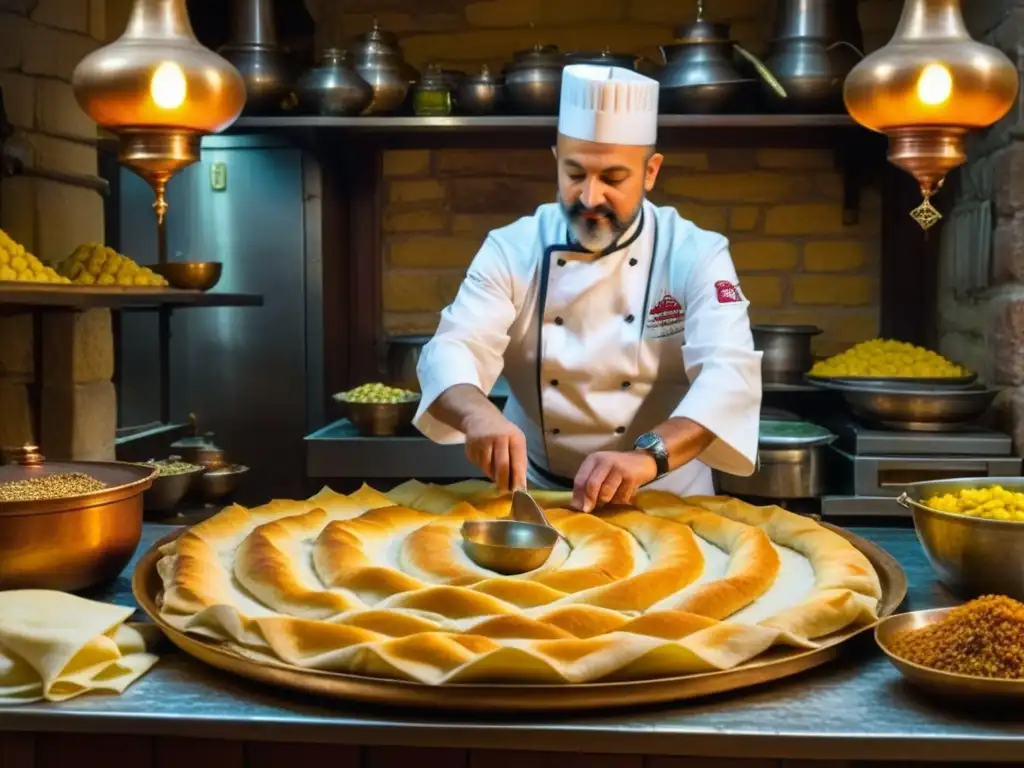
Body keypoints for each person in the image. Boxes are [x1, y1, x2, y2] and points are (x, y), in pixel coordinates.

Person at [412, 64, 762, 513]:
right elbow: (453, 347)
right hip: (537, 496)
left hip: (666, 494)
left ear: (650, 172)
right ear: (556, 158)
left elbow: (728, 376)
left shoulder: (697, 253)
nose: (590, 197)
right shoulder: (512, 247)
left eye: (614, 179)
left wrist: (648, 457)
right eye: (574, 173)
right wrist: (478, 414)